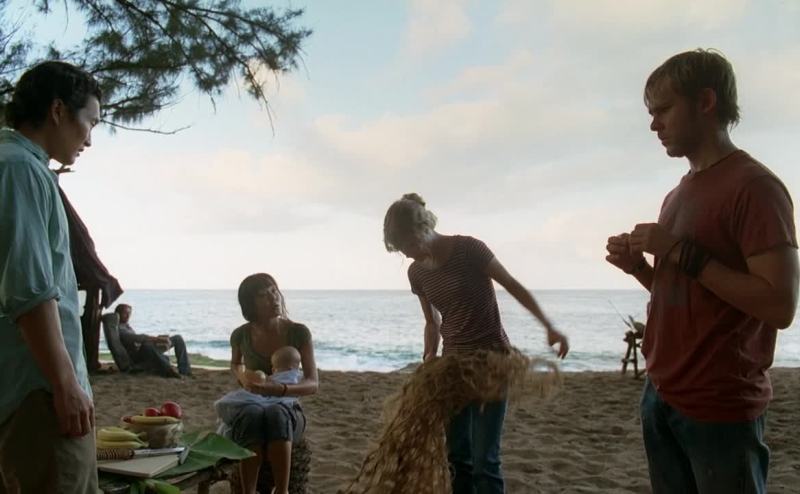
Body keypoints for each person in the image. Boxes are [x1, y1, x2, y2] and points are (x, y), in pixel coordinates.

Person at [606, 49, 799, 494]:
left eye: (663, 110)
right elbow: (689, 295)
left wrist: (678, 251)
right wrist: (639, 268)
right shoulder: (678, 194)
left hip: (719, 407)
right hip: (661, 394)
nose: (654, 125)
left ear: (706, 101)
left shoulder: (755, 187)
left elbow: (779, 305)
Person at [383, 193, 569, 494]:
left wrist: (549, 327)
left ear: (423, 228)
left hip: (492, 363)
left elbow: (512, 285)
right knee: (458, 458)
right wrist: (430, 354)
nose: (410, 254)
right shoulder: (416, 272)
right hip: (452, 369)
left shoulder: (469, 249)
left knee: (485, 461)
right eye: (403, 250)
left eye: (410, 245)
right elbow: (432, 321)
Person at [0, 61, 102, 493]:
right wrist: (64, 384)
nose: (90, 138)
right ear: (58, 111)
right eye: (90, 122)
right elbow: (30, 290)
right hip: (37, 392)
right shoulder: (19, 169)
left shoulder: (21, 167)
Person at [228, 273, 319, 494]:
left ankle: (282, 491)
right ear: (250, 303)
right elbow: (236, 364)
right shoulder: (240, 335)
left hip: (289, 409)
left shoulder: (298, 332)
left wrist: (280, 390)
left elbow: (312, 383)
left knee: (276, 413)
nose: (274, 298)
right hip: (252, 405)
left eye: (274, 291)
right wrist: (243, 377)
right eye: (263, 295)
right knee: (251, 414)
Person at [215, 346, 303, 428]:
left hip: (274, 397)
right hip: (284, 401)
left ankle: (225, 408)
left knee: (242, 396)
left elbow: (274, 383)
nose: (273, 370)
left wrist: (266, 380)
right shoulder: (299, 376)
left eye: (275, 368)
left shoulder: (284, 376)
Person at [114, 303, 191, 377]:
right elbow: (138, 338)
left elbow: (139, 340)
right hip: (138, 356)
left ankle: (185, 371)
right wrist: (158, 339)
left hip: (145, 350)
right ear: (118, 314)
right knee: (147, 345)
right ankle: (168, 370)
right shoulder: (119, 329)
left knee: (177, 338)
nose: (128, 316)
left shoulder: (126, 326)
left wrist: (159, 339)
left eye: (129, 313)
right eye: (125, 313)